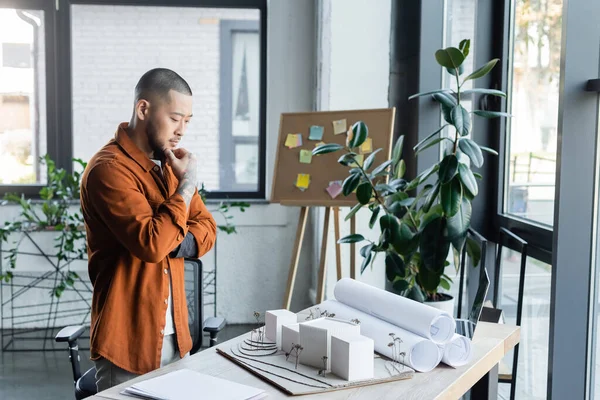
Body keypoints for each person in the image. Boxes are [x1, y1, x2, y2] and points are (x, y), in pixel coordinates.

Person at [80, 68, 217, 391]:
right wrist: (185, 186)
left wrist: (174, 241)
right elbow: (151, 246)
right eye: (174, 118)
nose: (181, 130)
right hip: (127, 343)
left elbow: (208, 228)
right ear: (143, 109)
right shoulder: (108, 170)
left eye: (188, 121)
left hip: (178, 337)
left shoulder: (169, 166)